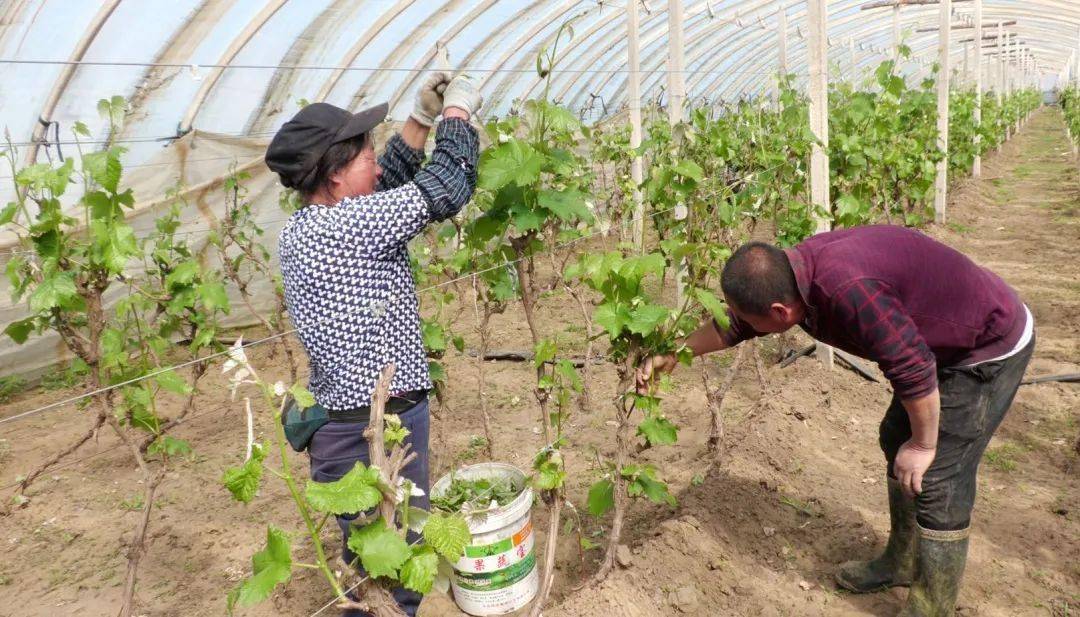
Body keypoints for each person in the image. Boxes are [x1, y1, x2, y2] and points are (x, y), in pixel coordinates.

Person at [638, 225, 1034, 617]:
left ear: (780, 312)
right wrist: (674, 354)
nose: (745, 324)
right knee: (896, 434)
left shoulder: (848, 290)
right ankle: (900, 560)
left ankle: (931, 607)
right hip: (939, 341)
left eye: (753, 320)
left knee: (938, 476)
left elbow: (913, 368)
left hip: (985, 346)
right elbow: (738, 324)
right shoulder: (793, 277)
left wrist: (924, 445)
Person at [265, 72, 482, 616]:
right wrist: (457, 113)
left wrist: (421, 119)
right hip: (374, 430)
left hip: (353, 425)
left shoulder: (314, 223)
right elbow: (447, 188)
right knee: (391, 572)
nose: (378, 164)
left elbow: (385, 187)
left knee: (374, 561)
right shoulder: (349, 227)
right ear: (336, 177)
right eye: (365, 156)